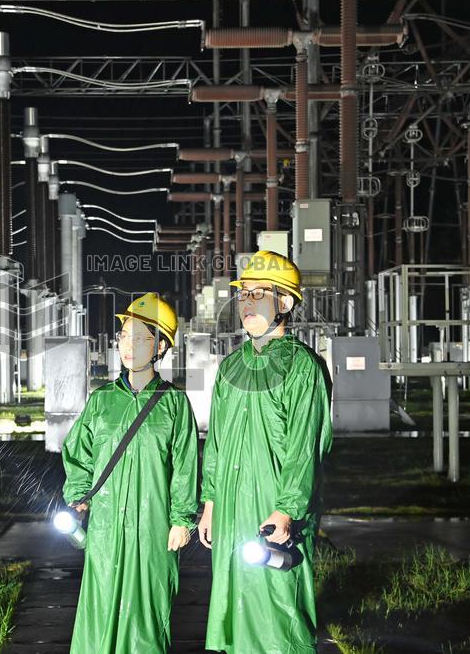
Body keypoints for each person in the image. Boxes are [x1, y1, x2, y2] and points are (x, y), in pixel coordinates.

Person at [199, 250, 333, 654]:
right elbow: (216, 440)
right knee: (234, 603)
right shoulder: (230, 368)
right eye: (244, 294)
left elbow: (304, 447)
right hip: (230, 504)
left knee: (279, 609)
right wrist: (210, 502)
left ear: (285, 303)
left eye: (260, 294)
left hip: (273, 507)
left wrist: (287, 509)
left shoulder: (302, 367)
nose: (248, 303)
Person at [61, 292, 199, 654]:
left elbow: (185, 467)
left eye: (139, 337)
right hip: (105, 526)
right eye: (123, 336)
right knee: (100, 608)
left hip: (154, 527)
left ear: (160, 346)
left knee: (147, 613)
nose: (127, 345)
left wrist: (181, 520)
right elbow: (78, 454)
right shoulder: (102, 401)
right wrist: (79, 497)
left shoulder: (174, 404)